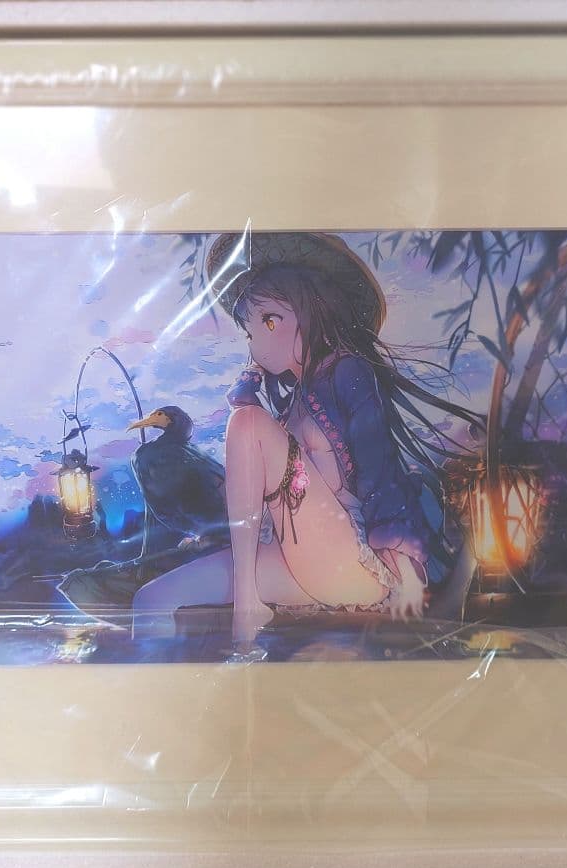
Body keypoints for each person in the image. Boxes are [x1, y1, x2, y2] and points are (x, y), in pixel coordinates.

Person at [132, 232, 482, 644]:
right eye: (251, 333)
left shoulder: (348, 372)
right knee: (152, 599)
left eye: (270, 321)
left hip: (354, 566)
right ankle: (178, 654)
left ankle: (247, 603)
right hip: (302, 558)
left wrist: (406, 569)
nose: (258, 343)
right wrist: (250, 386)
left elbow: (380, 467)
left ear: (314, 312)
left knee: (247, 424)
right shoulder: (296, 399)